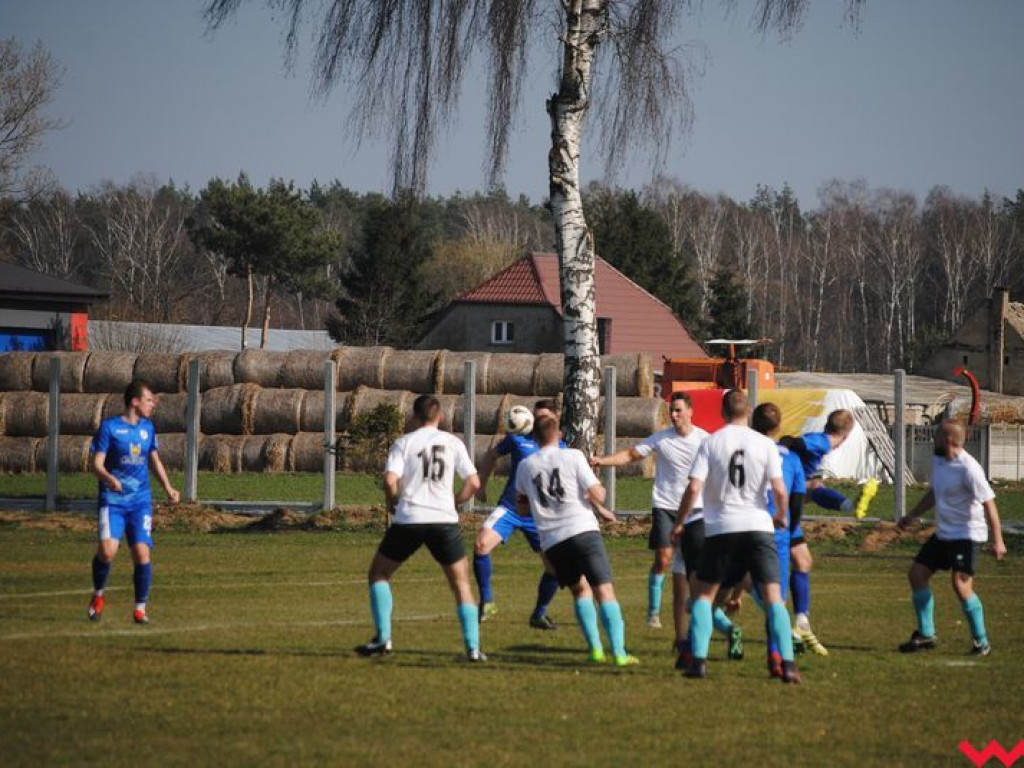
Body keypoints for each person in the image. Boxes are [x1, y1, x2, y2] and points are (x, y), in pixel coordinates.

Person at [673, 389, 800, 683]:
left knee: (704, 597)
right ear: (749, 411)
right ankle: (789, 665)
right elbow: (780, 490)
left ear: (722, 411)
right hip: (759, 527)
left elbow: (693, 488)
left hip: (721, 529)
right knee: (773, 600)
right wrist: (780, 515)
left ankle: (700, 662)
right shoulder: (765, 444)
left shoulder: (711, 442)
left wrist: (680, 522)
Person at [356, 394, 485, 662]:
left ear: (414, 417)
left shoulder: (404, 443)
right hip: (443, 520)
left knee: (379, 574)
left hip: (410, 518)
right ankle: (472, 649)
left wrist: (393, 501)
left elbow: (390, 479)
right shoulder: (452, 443)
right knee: (461, 584)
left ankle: (383, 639)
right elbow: (473, 482)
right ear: (440, 417)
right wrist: (455, 501)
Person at [516, 415, 639, 667]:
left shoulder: (525, 466)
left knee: (580, 591)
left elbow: (522, 510)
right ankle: (619, 653)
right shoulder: (573, 456)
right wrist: (595, 487)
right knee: (604, 592)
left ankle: (595, 649)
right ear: (558, 434)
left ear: (535, 437)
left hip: (553, 541)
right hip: (582, 531)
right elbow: (599, 494)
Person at [591, 392, 712, 632]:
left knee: (695, 564)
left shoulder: (705, 440)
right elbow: (630, 455)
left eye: (678, 410)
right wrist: (601, 461)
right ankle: (654, 612)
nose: (674, 415)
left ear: (690, 411)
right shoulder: (660, 438)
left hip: (696, 509)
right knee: (664, 559)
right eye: (671, 411)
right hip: (665, 507)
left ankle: (694, 601)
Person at [896, 421, 1007, 656]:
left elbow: (989, 504)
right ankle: (926, 634)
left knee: (961, 585)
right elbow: (935, 493)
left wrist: (998, 540)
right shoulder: (939, 461)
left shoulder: (969, 468)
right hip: (944, 533)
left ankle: (981, 641)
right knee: (917, 574)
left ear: (947, 440)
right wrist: (912, 515)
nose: (932, 440)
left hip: (967, 535)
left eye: (935, 436)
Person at [780, 409, 876, 655]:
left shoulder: (819, 447)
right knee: (760, 579)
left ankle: (800, 624)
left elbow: (811, 489)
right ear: (848, 433)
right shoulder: (822, 442)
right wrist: (787, 445)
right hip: (780, 511)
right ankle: (782, 631)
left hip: (789, 509)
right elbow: (795, 443)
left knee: (803, 561)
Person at [87, 379, 180, 624]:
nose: (154, 404)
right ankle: (98, 595)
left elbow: (154, 461)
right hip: (114, 501)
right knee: (107, 553)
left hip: (140, 502)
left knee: (141, 553)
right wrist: (109, 478)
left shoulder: (148, 429)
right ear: (135, 401)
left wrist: (168, 488)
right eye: (149, 399)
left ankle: (140, 608)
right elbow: (96, 464)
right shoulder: (109, 428)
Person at [473, 399, 564, 629]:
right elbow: (492, 455)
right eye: (536, 416)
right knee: (481, 545)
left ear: (556, 417)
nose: (538, 421)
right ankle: (487, 602)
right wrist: (482, 485)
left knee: (555, 569)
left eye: (543, 416)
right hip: (511, 508)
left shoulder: (563, 448)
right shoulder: (518, 438)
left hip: (541, 517)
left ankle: (539, 614)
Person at [750, 402, 806, 676]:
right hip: (776, 533)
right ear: (779, 427)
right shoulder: (791, 459)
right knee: (776, 598)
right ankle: (778, 653)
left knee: (710, 590)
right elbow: (796, 500)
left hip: (740, 527)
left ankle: (692, 649)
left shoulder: (744, 451)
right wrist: (789, 528)